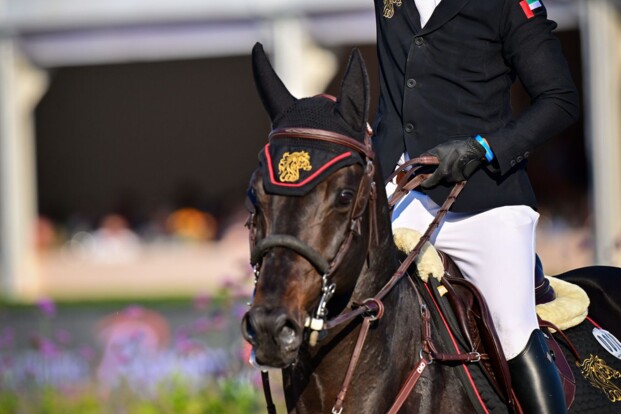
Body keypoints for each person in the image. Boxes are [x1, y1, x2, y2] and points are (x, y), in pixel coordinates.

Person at [372, 0, 579, 412]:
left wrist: (483, 148)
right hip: (403, 191)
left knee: (511, 328)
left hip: (485, 199)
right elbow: (394, 102)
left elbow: (559, 98)